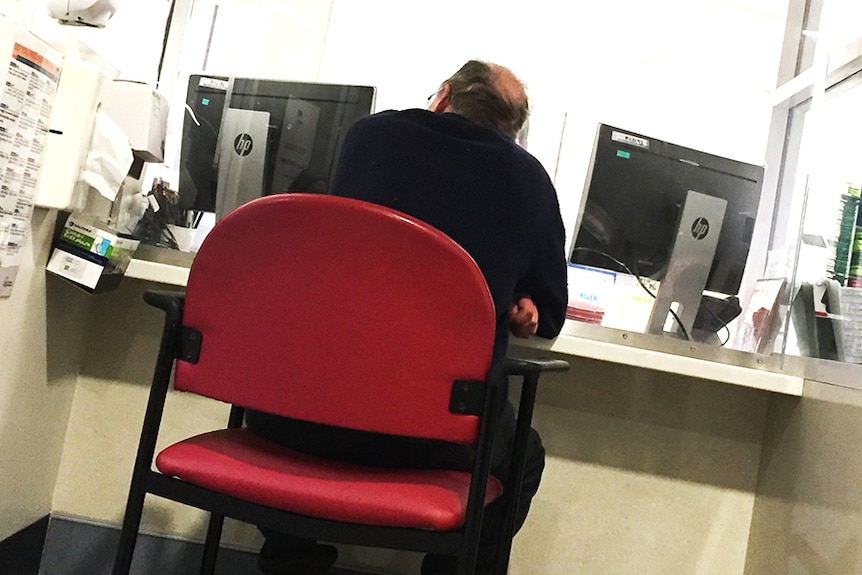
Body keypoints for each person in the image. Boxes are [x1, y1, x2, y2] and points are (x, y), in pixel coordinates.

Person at [246, 60, 568, 575]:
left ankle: (292, 562)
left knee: (307, 401)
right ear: (513, 134)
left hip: (302, 414)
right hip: (436, 439)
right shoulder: (529, 181)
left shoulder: (367, 137)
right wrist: (523, 298)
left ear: (441, 97)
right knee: (521, 456)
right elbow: (549, 314)